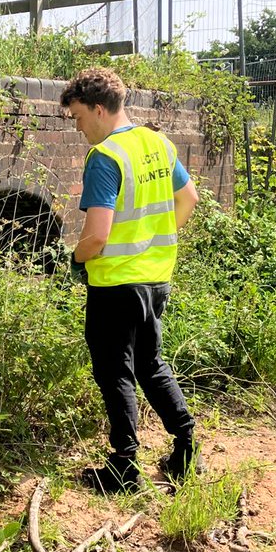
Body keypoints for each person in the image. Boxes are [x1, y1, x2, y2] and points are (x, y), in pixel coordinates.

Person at [60, 66, 202, 492]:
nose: (79, 127)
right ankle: (186, 445)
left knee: (114, 371)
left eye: (80, 117)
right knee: (150, 364)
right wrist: (151, 243)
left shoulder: (105, 156)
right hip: (156, 279)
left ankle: (124, 467)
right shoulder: (158, 143)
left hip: (116, 285)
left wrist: (75, 259)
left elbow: (97, 234)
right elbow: (188, 199)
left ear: (100, 110)